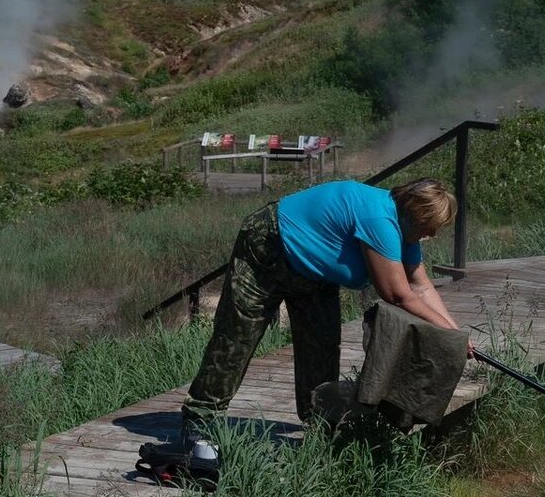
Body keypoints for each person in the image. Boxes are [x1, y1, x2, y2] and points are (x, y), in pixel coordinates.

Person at [180, 178, 465, 446]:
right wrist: (447, 332)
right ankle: (198, 419)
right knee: (237, 338)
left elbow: (421, 285)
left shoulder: (406, 233)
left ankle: (321, 427)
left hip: (314, 275)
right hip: (268, 248)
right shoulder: (380, 219)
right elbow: (398, 294)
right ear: (414, 213)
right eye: (430, 225)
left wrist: (456, 334)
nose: (433, 234)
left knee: (323, 344)